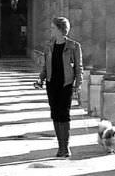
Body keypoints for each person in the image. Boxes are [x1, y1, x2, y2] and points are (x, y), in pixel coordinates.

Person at [35, 17, 83, 157]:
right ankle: (60, 146)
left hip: (66, 84)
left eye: (53, 28)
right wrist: (41, 79)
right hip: (52, 83)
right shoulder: (49, 45)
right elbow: (46, 66)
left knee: (64, 114)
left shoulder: (74, 46)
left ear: (61, 29)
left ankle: (65, 147)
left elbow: (79, 68)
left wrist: (77, 85)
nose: (51, 30)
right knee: (55, 114)